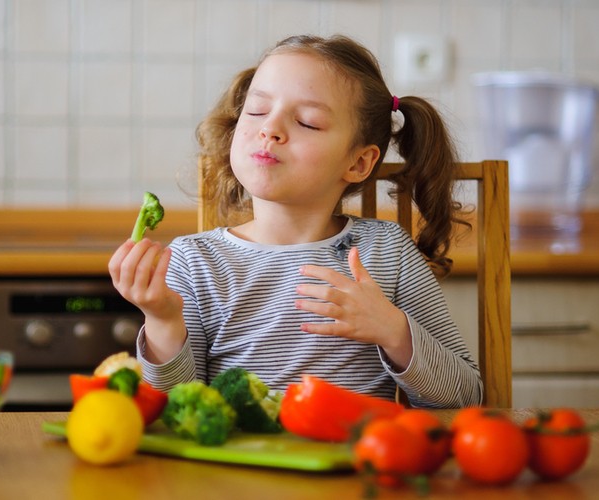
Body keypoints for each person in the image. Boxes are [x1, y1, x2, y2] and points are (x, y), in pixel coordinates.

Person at [109, 34, 481, 408]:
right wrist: (163, 321)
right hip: (235, 466)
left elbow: (466, 398)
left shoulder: (387, 252)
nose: (269, 128)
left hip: (356, 462)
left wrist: (395, 331)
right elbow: (177, 409)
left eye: (308, 122)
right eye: (256, 111)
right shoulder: (193, 262)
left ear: (358, 163)